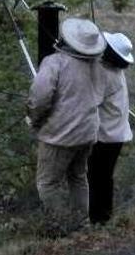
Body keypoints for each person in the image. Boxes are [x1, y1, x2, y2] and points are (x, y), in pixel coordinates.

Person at [27, 18, 106, 232]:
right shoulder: (97, 66)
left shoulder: (55, 62)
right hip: (87, 132)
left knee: (47, 184)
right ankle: (82, 225)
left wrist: (34, 119)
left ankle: (60, 227)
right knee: (78, 177)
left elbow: (39, 98)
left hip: (60, 135)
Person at [88, 32, 135, 225]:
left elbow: (92, 101)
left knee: (95, 176)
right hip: (118, 134)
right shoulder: (117, 72)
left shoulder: (105, 74)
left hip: (105, 136)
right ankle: (103, 217)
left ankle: (97, 218)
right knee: (105, 176)